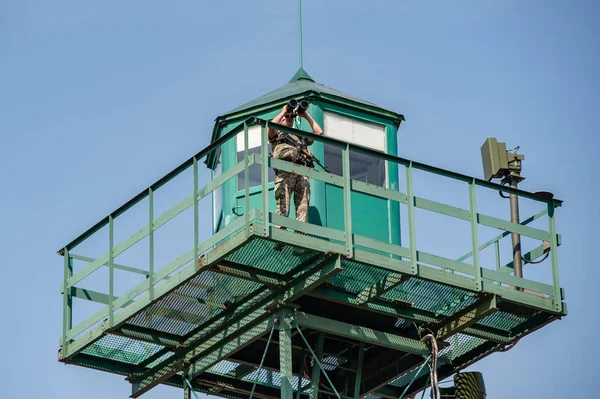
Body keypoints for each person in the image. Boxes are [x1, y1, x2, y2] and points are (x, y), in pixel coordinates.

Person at [268, 102, 323, 229]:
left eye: (291, 117)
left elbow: (318, 132)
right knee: (283, 204)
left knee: (302, 205)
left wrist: (305, 115)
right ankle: (280, 232)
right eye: (286, 117)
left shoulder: (300, 137)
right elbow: (270, 127)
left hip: (301, 173)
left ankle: (301, 232)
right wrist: (283, 111)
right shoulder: (277, 136)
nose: (289, 118)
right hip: (285, 172)